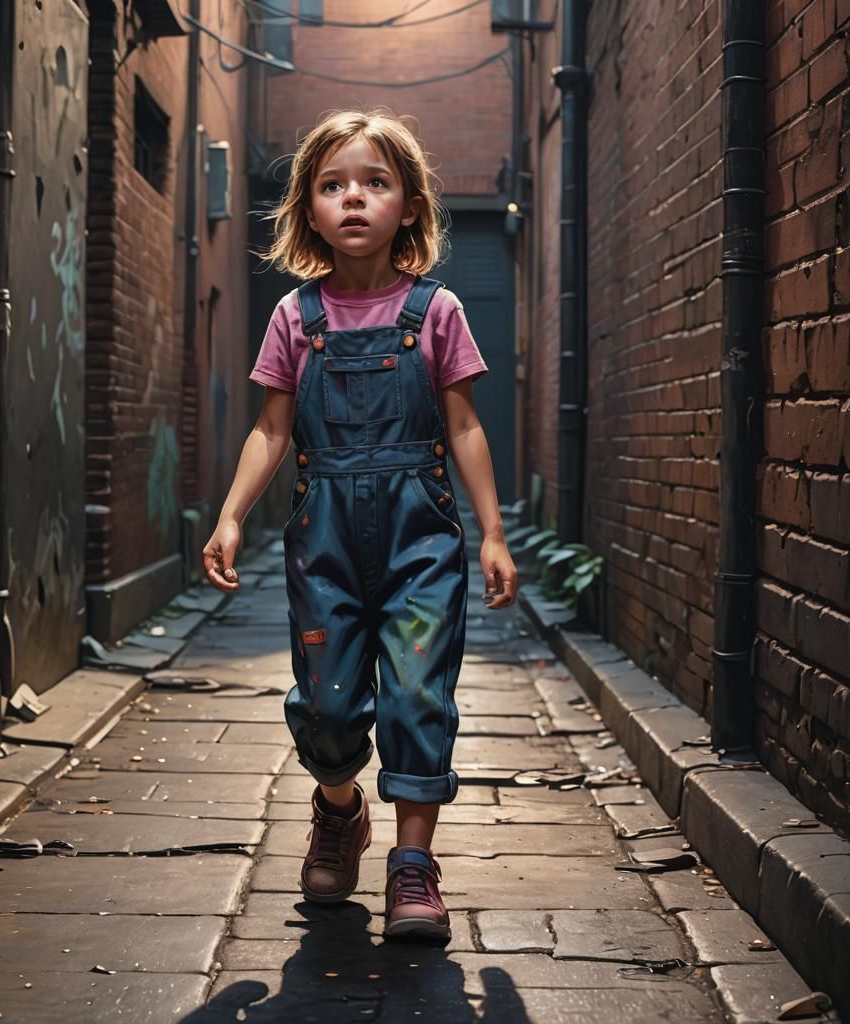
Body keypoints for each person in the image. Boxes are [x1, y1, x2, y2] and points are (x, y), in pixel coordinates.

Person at [203, 108, 517, 942]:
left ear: (409, 205)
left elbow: (464, 428)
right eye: (333, 184)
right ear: (308, 208)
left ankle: (413, 866)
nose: (354, 199)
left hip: (422, 536)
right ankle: (339, 810)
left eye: (375, 183)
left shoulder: (438, 310)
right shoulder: (293, 318)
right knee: (331, 705)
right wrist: (232, 517)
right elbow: (272, 430)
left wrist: (490, 532)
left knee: (419, 693)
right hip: (325, 539)